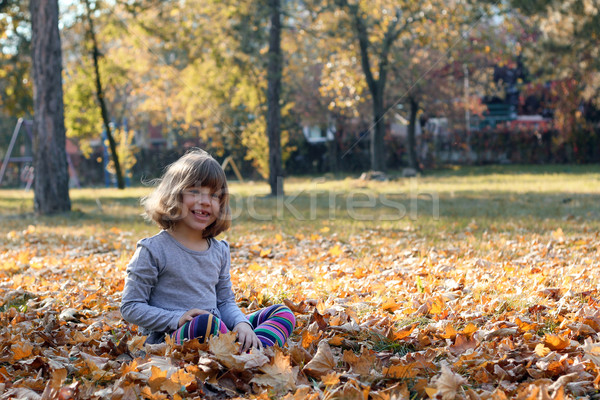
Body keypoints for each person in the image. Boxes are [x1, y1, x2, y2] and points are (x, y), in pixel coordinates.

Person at [120, 149, 295, 351]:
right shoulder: (153, 250)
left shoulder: (219, 250)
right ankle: (240, 352)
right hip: (173, 335)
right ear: (174, 195)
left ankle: (251, 352)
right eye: (195, 191)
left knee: (282, 313)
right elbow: (131, 306)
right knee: (205, 322)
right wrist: (177, 318)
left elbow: (225, 301)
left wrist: (241, 324)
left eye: (214, 195)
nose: (205, 201)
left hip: (218, 328)